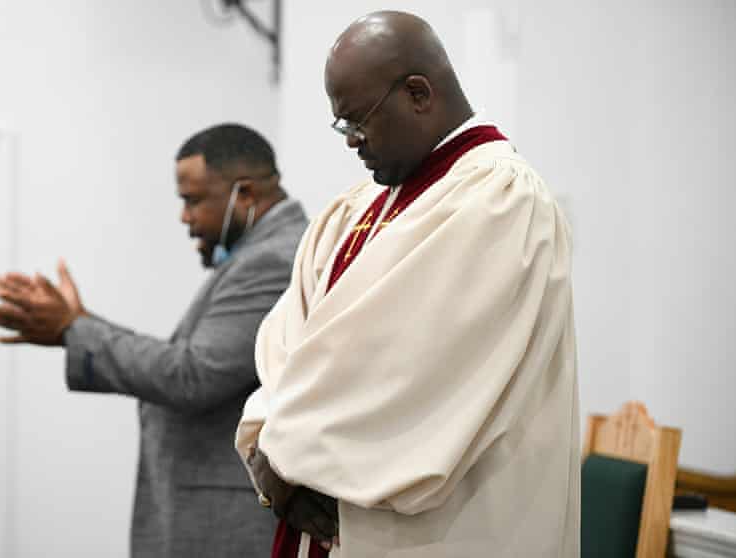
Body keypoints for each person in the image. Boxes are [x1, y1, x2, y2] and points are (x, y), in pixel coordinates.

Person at [236, 11, 580, 558]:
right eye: (341, 126)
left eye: (357, 121)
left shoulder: (502, 203)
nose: (350, 142)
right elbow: (285, 345)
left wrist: (285, 455)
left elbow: (409, 372)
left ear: (418, 93)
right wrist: (269, 449)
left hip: (444, 532)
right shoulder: (360, 208)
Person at [0, 123, 309, 557]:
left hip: (224, 523)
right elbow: (188, 360)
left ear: (243, 195)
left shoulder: (272, 260)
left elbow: (193, 376)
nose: (184, 217)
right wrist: (77, 324)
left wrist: (71, 329)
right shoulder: (265, 253)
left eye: (193, 200)